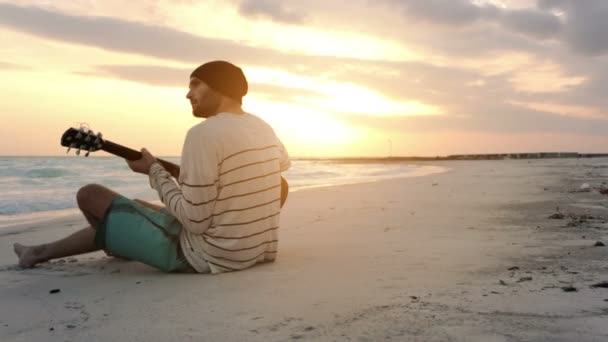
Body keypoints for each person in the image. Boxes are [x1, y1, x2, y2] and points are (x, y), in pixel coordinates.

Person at [13, 60, 291, 274]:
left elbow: (196, 220)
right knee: (135, 206)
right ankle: (39, 251)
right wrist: (195, 176)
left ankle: (114, 244)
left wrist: (155, 173)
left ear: (218, 86)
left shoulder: (203, 134)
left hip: (211, 255)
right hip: (256, 250)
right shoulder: (263, 127)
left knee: (90, 195)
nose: (188, 94)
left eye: (195, 84)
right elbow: (276, 172)